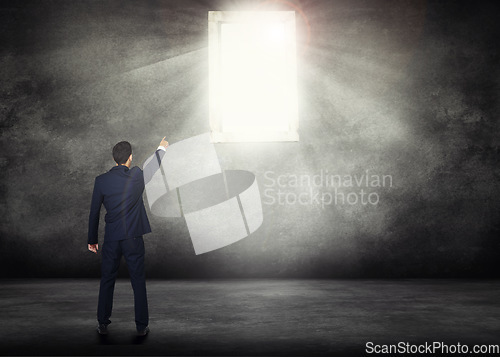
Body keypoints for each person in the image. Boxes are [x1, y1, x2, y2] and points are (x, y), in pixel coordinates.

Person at [88, 137, 169, 336]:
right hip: (133, 238)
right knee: (138, 281)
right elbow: (153, 167)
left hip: (111, 239)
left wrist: (92, 239)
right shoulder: (136, 176)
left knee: (107, 280)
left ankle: (102, 323)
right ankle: (141, 327)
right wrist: (161, 148)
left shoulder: (101, 180)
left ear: (115, 159)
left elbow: (94, 212)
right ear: (130, 158)